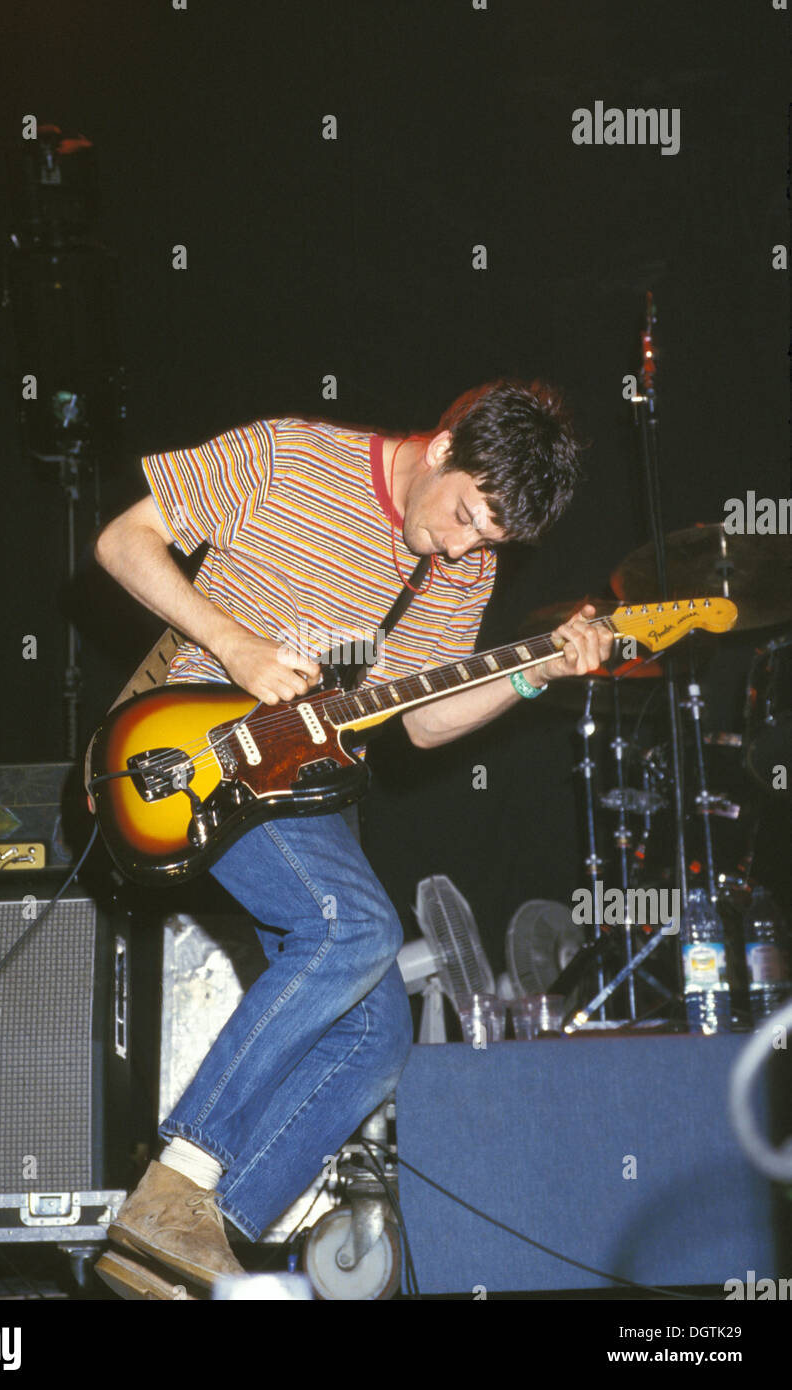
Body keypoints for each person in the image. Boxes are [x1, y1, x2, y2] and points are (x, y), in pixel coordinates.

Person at [90, 379, 613, 1299]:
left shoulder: (463, 566)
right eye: (462, 518)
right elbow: (120, 541)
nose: (460, 548)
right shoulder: (291, 453)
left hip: (305, 781)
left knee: (375, 1039)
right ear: (445, 445)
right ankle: (175, 1187)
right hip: (190, 751)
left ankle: (181, 1243)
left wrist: (533, 676)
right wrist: (242, 645)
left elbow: (422, 724)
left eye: (487, 542)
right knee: (354, 927)